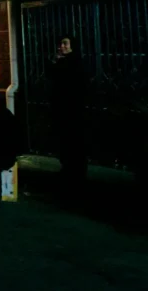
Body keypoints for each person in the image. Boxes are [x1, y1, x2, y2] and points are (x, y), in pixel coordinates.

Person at [51, 34, 88, 184]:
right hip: (62, 108)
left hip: (73, 109)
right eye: (61, 44)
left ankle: (76, 171)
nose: (62, 47)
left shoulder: (75, 62)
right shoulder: (61, 61)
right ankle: (68, 168)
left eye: (65, 43)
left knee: (74, 141)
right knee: (65, 141)